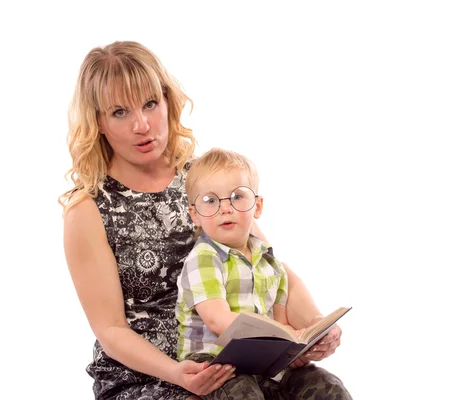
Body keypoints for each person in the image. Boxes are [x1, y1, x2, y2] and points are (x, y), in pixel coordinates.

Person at [60, 40, 345, 400]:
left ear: (167, 102)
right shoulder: (87, 209)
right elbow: (111, 329)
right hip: (151, 376)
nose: (142, 124)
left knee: (327, 390)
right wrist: (178, 374)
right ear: (98, 122)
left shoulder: (204, 180)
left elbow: (263, 264)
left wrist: (315, 329)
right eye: (120, 112)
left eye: (150, 103)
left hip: (237, 362)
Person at [176, 148, 352, 399]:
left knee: (326, 385)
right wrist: (272, 336)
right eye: (210, 201)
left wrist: (296, 347)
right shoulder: (204, 258)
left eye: (237, 197)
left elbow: (280, 324)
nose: (225, 208)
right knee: (243, 394)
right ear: (195, 215)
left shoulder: (269, 262)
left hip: (264, 365)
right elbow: (217, 320)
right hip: (216, 364)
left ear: (257, 207)